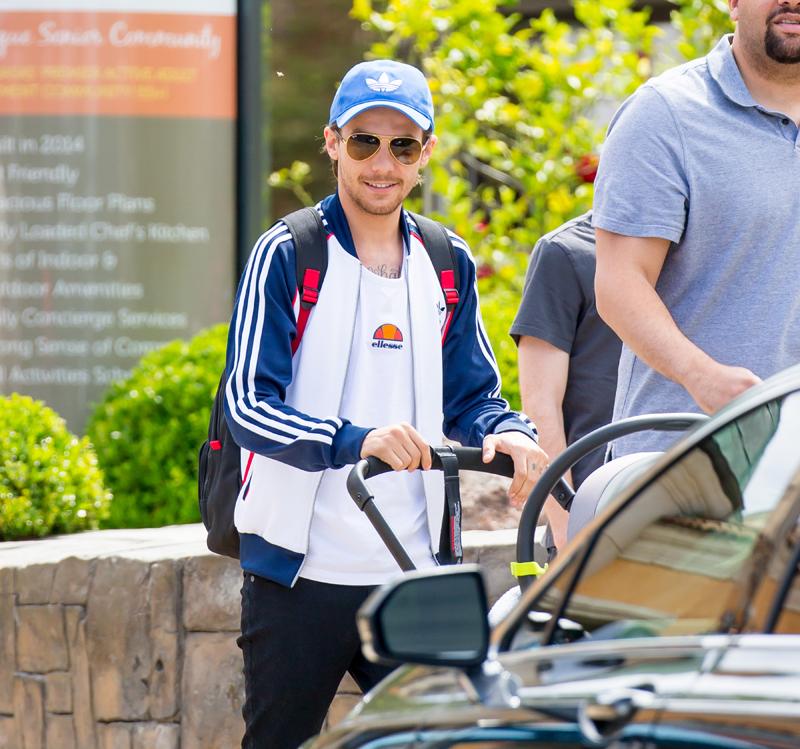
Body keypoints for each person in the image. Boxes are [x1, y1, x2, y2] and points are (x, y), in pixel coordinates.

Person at [223, 59, 548, 748]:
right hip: (298, 577)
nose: (382, 162)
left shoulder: (447, 259)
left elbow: (475, 396)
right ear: (332, 142)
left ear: (424, 154)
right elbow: (247, 404)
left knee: (449, 741)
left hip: (415, 572)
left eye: (402, 145)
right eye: (365, 141)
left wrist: (510, 432)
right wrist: (356, 440)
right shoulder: (288, 253)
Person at [592, 0, 800, 458]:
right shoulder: (666, 114)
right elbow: (619, 282)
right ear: (733, 2)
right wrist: (700, 374)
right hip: (684, 458)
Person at [510, 212, 621, 551]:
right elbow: (540, 406)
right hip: (593, 512)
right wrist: (566, 528)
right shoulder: (566, 252)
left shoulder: (696, 253)